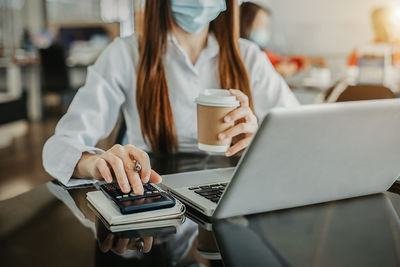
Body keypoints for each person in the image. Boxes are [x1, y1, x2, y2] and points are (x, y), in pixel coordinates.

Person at [43, 0, 299, 195]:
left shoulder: (249, 57)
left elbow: (300, 135)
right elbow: (59, 147)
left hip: (232, 194)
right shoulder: (125, 54)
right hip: (152, 192)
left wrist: (262, 139)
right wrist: (94, 162)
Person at [240, 2, 326, 77]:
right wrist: (301, 64)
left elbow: (280, 60)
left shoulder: (261, 52)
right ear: (245, 25)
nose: (265, 30)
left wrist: (306, 61)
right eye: (261, 24)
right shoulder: (247, 53)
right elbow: (280, 67)